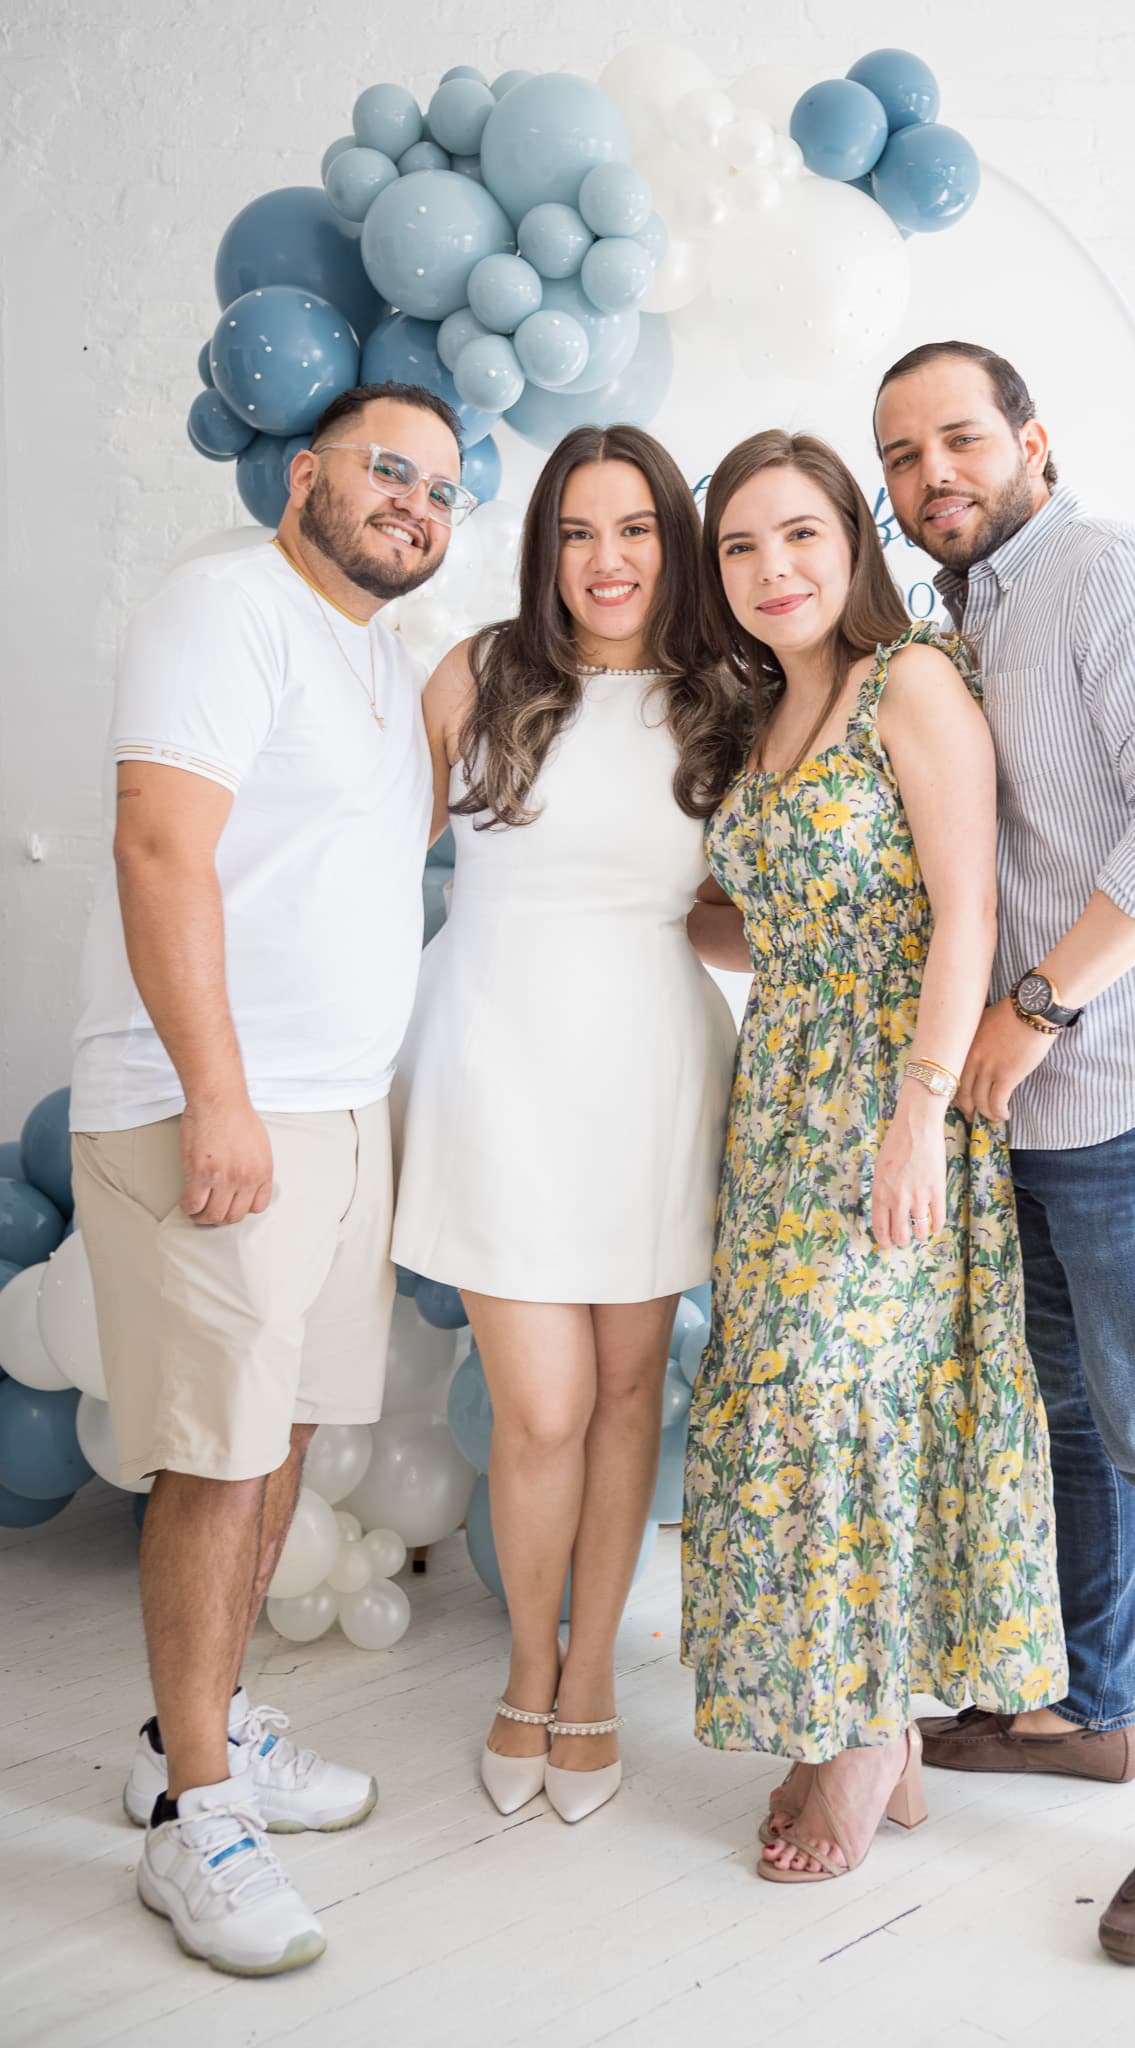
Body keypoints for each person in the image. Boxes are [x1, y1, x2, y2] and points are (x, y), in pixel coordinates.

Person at [875, 339, 1135, 1964]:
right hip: (1035, 1106)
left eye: (959, 441)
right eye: (901, 459)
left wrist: (1034, 1007)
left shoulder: (1118, 578)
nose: (931, 479)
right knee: (1074, 1421)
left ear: (1035, 440)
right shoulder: (959, 621)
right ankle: (1086, 1708)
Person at [69, 382, 469, 1976]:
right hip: (210, 1113)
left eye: (441, 491)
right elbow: (159, 848)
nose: (415, 507)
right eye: (389, 471)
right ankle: (198, 1827)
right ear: (305, 474)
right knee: (217, 1464)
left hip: (333, 1118)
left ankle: (202, 1737)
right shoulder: (221, 607)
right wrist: (219, 1098)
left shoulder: (373, 657)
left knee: (284, 1439)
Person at [681, 429, 1067, 1886]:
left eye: (798, 535)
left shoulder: (906, 681)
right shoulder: (759, 715)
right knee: (779, 1417)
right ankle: (850, 1714)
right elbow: (743, 916)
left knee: (846, 1409)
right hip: (778, 1102)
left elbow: (963, 912)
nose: (772, 569)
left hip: (891, 1105)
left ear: (852, 541)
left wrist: (918, 1115)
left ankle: (860, 1732)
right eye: (739, 547)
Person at [393, 424, 743, 1825]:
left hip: (652, 1069)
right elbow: (372, 862)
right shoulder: (477, 674)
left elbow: (725, 909)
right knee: (536, 1410)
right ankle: (524, 1673)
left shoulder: (721, 700)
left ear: (672, 542)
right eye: (579, 534)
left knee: (621, 1400)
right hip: (496, 1069)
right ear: (546, 550)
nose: (608, 561)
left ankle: (590, 1674)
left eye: (637, 530)